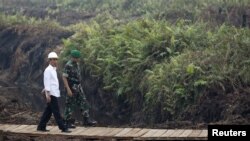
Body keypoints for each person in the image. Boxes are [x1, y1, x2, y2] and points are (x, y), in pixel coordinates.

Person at [37, 52, 71, 133]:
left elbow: (52, 82)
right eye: (54, 59)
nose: (56, 61)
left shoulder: (53, 69)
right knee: (56, 112)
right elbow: (47, 82)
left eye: (56, 59)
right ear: (50, 60)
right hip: (51, 94)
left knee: (48, 112)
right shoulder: (48, 70)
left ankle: (41, 126)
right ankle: (63, 128)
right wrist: (47, 94)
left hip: (54, 93)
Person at [63, 49, 97, 128]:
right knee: (70, 104)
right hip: (71, 87)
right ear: (72, 57)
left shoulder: (77, 64)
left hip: (78, 86)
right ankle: (67, 122)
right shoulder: (68, 65)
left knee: (83, 102)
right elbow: (64, 77)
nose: (78, 59)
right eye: (76, 58)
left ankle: (86, 120)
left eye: (78, 58)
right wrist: (68, 89)